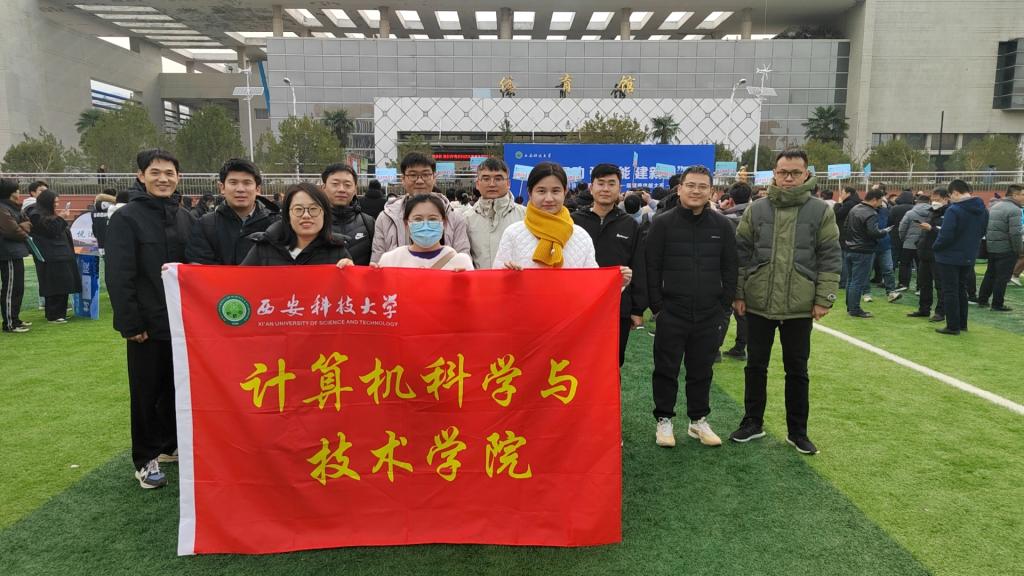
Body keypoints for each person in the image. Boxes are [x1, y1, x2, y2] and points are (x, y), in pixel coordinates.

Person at [731, 149, 841, 456]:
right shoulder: (756, 209)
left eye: (795, 172)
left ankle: (798, 432)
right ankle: (752, 422)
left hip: (799, 306)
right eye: (783, 172)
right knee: (755, 365)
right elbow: (741, 254)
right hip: (758, 302)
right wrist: (738, 293)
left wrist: (824, 298)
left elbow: (830, 256)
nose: (788, 178)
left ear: (806, 174)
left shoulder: (820, 211)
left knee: (797, 370)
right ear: (774, 174)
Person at [105, 149, 195, 489]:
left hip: (183, 325)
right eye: (155, 172)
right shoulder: (126, 218)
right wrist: (131, 323)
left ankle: (170, 445)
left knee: (177, 388)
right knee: (146, 392)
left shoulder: (185, 217)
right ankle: (145, 458)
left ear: (178, 177)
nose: (163, 179)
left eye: (169, 173)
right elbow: (119, 274)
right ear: (141, 176)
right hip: (147, 325)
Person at [647, 165, 736, 448]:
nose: (696, 191)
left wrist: (724, 305)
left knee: (702, 369)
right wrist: (658, 307)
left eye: (702, 186)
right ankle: (664, 419)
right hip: (672, 311)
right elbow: (651, 267)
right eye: (691, 185)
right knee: (666, 369)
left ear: (711, 191)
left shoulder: (722, 225)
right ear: (680, 189)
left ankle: (698, 420)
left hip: (710, 312)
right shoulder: (662, 223)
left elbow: (730, 268)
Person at [572, 163, 647, 367]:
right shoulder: (573, 222)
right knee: (577, 361)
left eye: (611, 184)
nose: (606, 189)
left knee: (612, 363)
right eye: (601, 183)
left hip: (617, 308)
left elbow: (639, 266)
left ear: (619, 189)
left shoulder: (630, 225)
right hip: (578, 306)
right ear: (591, 187)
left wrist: (637, 309)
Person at [370, 153, 470, 263]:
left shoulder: (454, 217)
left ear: (434, 178)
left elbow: (463, 258)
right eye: (413, 175)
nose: (419, 181)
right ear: (403, 179)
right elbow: (377, 260)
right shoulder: (386, 218)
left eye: (425, 174)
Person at [186, 158, 280, 266]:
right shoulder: (205, 225)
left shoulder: (276, 224)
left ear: (258, 189)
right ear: (222, 188)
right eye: (233, 183)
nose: (240, 189)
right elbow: (199, 267)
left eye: (247, 183)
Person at [242, 183, 353, 266]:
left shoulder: (338, 253)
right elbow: (241, 284)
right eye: (298, 209)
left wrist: (350, 274)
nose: (306, 215)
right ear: (287, 215)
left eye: (313, 209)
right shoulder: (263, 249)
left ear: (325, 214)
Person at [932, 180, 988, 335]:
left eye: (951, 195)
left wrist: (936, 247)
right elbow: (982, 231)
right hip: (969, 254)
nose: (950, 199)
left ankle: (953, 326)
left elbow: (946, 235)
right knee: (961, 289)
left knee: (950, 291)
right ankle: (962, 324)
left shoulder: (954, 210)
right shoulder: (983, 210)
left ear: (955, 193)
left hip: (949, 256)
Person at [376, 194, 474, 271]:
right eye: (418, 219)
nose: (425, 225)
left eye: (432, 219)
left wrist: (465, 282)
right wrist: (373, 276)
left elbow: (472, 291)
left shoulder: (460, 262)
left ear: (444, 223)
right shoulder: (390, 260)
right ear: (406, 223)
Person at [27, 190, 81, 323]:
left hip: (60, 253)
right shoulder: (36, 214)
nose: (56, 205)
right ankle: (54, 315)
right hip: (51, 255)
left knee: (63, 284)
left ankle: (60, 313)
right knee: (54, 285)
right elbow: (52, 231)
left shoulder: (46, 214)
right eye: (54, 202)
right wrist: (61, 218)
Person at [465, 157, 525, 270]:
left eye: (498, 178)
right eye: (486, 179)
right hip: (479, 280)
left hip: (515, 280)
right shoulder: (466, 218)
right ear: (477, 184)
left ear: (508, 183)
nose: (492, 184)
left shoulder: (525, 216)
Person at [843, 188, 893, 318]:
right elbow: (873, 232)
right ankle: (854, 309)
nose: (881, 204)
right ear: (875, 200)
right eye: (880, 201)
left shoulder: (854, 209)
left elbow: (845, 227)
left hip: (849, 248)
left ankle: (850, 306)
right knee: (857, 281)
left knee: (851, 280)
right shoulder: (871, 213)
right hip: (863, 251)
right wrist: (884, 231)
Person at [719, 181, 753, 359]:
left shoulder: (723, 219)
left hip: (728, 269)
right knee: (743, 310)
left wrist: (720, 208)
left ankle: (714, 349)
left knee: (724, 310)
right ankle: (740, 347)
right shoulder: (758, 217)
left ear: (730, 199)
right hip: (751, 269)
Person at [976, 184, 1022, 312]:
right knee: (1002, 277)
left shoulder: (995, 206)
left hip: (992, 247)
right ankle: (997, 304)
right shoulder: (1015, 210)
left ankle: (982, 300)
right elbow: (1015, 233)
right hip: (1006, 249)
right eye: (1023, 194)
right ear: (1015, 195)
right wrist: (1018, 249)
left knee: (990, 274)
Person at [320, 163, 375, 265]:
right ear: (323, 188)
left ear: (355, 189)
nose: (341, 189)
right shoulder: (314, 222)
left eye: (347, 185)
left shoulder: (368, 222)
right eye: (335, 184)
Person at [908, 188, 950, 321]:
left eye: (937, 199)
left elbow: (947, 234)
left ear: (946, 199)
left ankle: (940, 312)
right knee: (924, 283)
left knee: (940, 284)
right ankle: (924, 309)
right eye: (933, 199)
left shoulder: (949, 213)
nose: (934, 202)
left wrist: (931, 229)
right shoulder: (931, 212)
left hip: (938, 254)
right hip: (924, 252)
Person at [1, 179, 32, 333]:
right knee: (10, 288)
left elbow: (28, 223)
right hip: (7, 253)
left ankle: (15, 318)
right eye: (17, 190)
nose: (19, 192)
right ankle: (9, 323)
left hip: (15, 251)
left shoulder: (13, 207)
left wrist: (22, 227)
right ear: (11, 192)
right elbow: (12, 231)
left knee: (17, 287)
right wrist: (22, 228)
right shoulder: (2, 208)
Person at [897, 193, 932, 291]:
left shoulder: (910, 213)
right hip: (924, 244)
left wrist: (903, 239)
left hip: (909, 243)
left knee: (904, 264)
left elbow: (902, 228)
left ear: (917, 202)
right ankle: (920, 287)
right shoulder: (932, 213)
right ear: (929, 202)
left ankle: (903, 284)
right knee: (922, 266)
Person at [834, 186, 860, 288]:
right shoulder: (858, 203)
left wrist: (838, 204)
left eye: (842, 193)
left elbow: (836, 214)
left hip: (845, 235)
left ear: (848, 193)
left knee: (844, 259)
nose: (841, 195)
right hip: (855, 236)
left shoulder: (848, 204)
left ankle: (843, 282)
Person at [91, 189, 117, 253]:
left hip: (100, 244)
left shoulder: (94, 209)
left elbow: (94, 227)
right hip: (113, 244)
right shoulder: (114, 208)